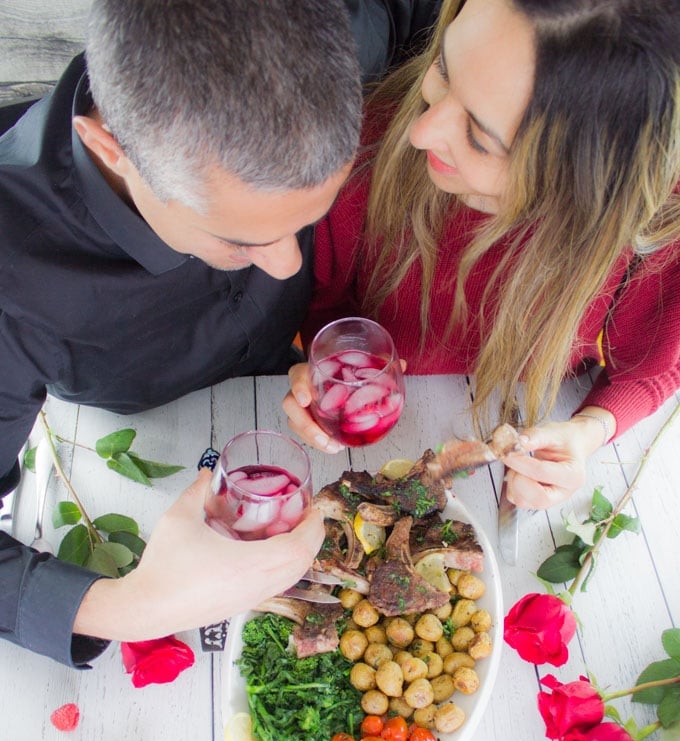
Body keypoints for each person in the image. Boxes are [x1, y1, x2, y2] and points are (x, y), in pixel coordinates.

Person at [0, 0, 445, 668]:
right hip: (142, 450)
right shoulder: (11, 273)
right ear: (110, 150)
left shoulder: (343, 29)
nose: (290, 265)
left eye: (303, 220)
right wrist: (135, 606)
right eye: (242, 238)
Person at [284, 0, 680, 510]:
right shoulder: (365, 147)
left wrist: (586, 432)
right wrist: (331, 372)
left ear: (584, 189)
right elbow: (326, 305)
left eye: (479, 138)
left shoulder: (654, 221)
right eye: (444, 70)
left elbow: (652, 365)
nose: (420, 131)